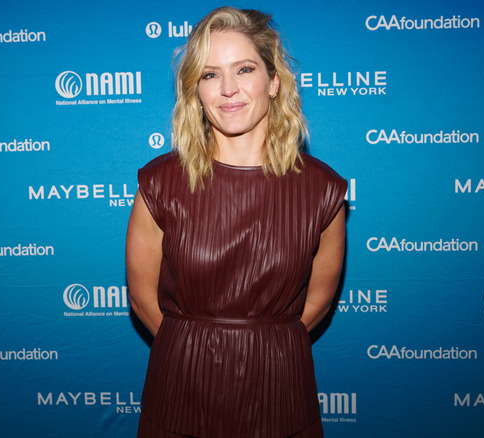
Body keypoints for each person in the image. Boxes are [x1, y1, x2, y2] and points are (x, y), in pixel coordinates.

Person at [126, 6, 347, 437]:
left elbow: (317, 304)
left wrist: (262, 349)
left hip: (280, 393)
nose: (228, 89)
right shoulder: (159, 183)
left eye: (244, 69)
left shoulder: (322, 190)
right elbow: (143, 299)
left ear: (274, 81)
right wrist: (195, 351)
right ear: (196, 91)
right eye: (210, 75)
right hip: (180, 392)